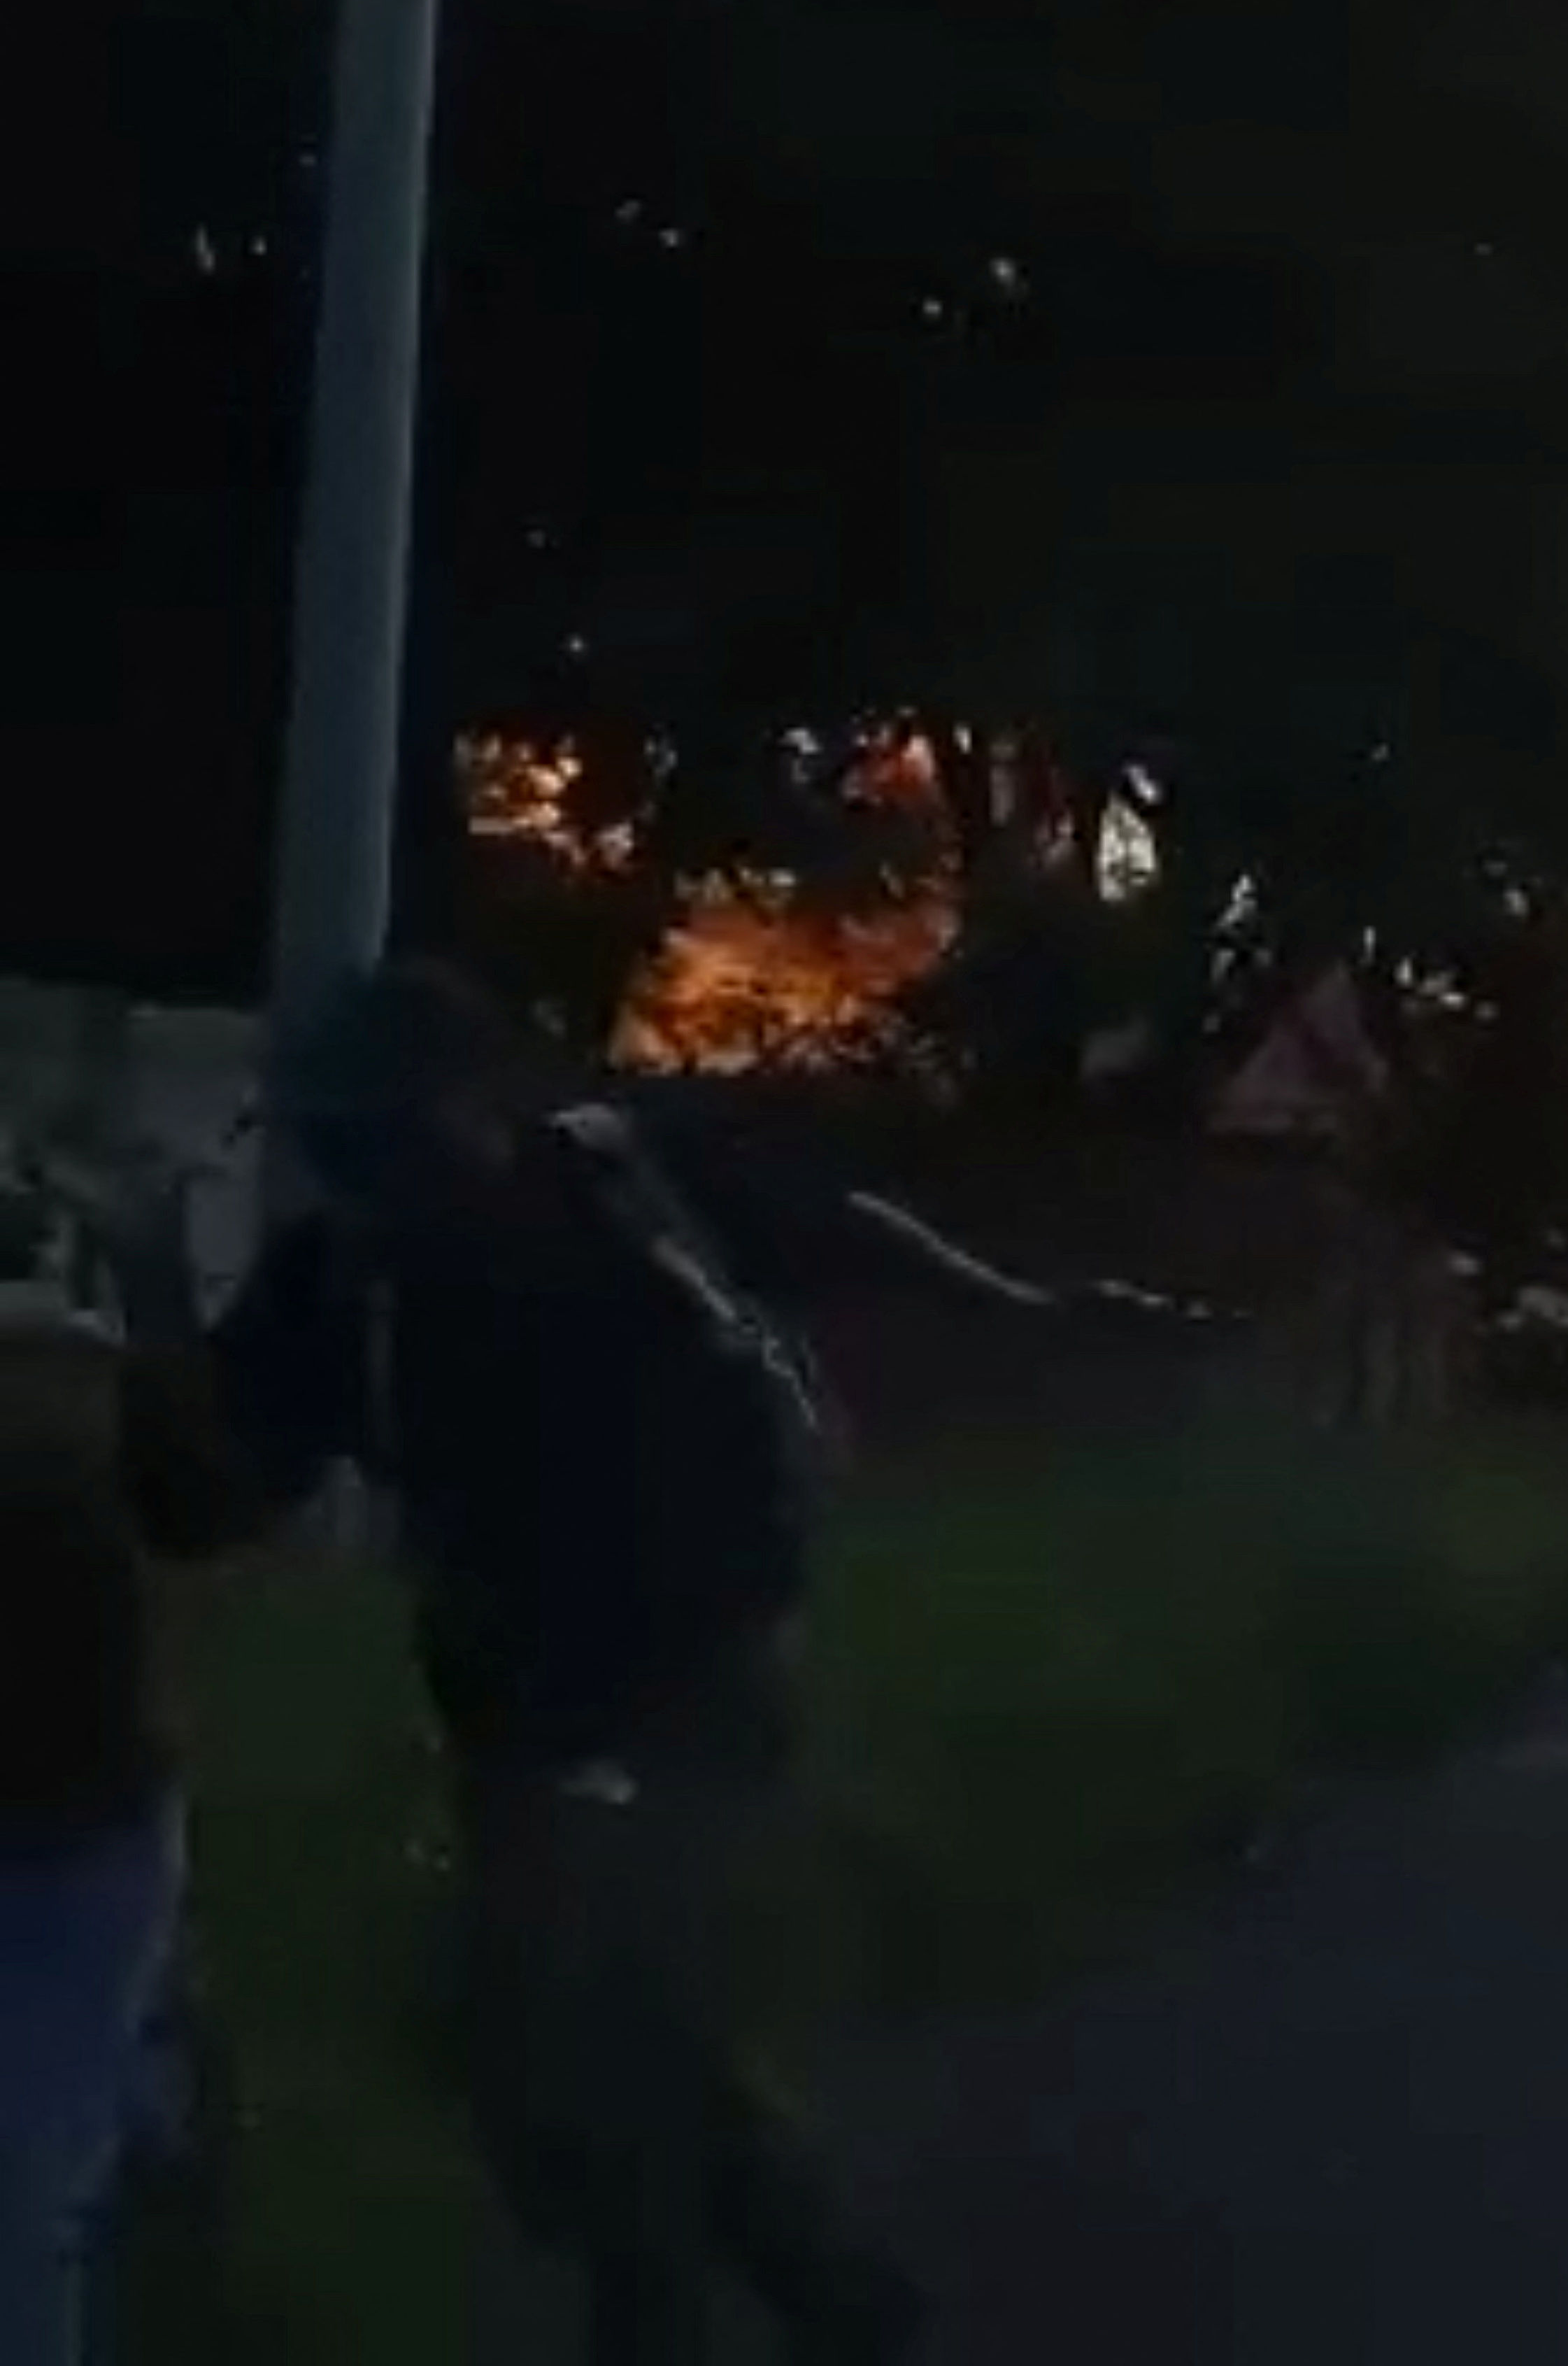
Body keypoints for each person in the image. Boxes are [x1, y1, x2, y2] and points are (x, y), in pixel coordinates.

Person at [192, 961, 1058, 2366]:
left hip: (699, 1687)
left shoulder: (628, 1191)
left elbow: (855, 1237)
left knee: (591, 2048)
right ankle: (837, 2293)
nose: (363, 1172)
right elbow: (206, 1496)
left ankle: (687, 2314)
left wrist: (1027, 1301)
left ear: (466, 1106)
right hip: (523, 1718)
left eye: (379, 1135)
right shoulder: (345, 1284)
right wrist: (152, 1296)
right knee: (575, 2043)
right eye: (336, 1143)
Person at [0, 1150, 276, 2366]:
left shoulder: (77, 1383)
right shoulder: (81, 1381)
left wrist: (154, 1290)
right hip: (85, 1829)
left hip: (73, 1841)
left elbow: (211, 1505)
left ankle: (152, 2114)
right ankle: (154, 2102)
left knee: (24, 2199)